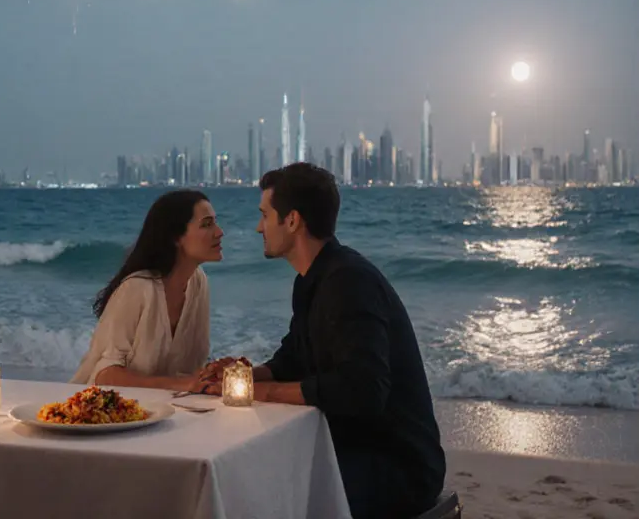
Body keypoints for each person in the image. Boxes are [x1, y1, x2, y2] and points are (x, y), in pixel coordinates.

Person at [206, 163, 445, 519]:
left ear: (292, 220)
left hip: (397, 467)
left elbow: (363, 390)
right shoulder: (313, 279)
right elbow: (293, 358)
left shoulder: (349, 281)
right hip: (353, 447)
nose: (259, 226)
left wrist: (259, 394)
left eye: (265, 215)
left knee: (262, 492)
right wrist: (242, 377)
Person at [70, 189, 222, 391]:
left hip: (165, 410)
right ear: (176, 237)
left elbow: (188, 369)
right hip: (99, 410)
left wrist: (213, 372)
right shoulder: (138, 288)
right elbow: (105, 375)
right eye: (207, 224)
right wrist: (184, 384)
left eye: (215, 222)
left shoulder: (198, 282)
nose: (219, 232)